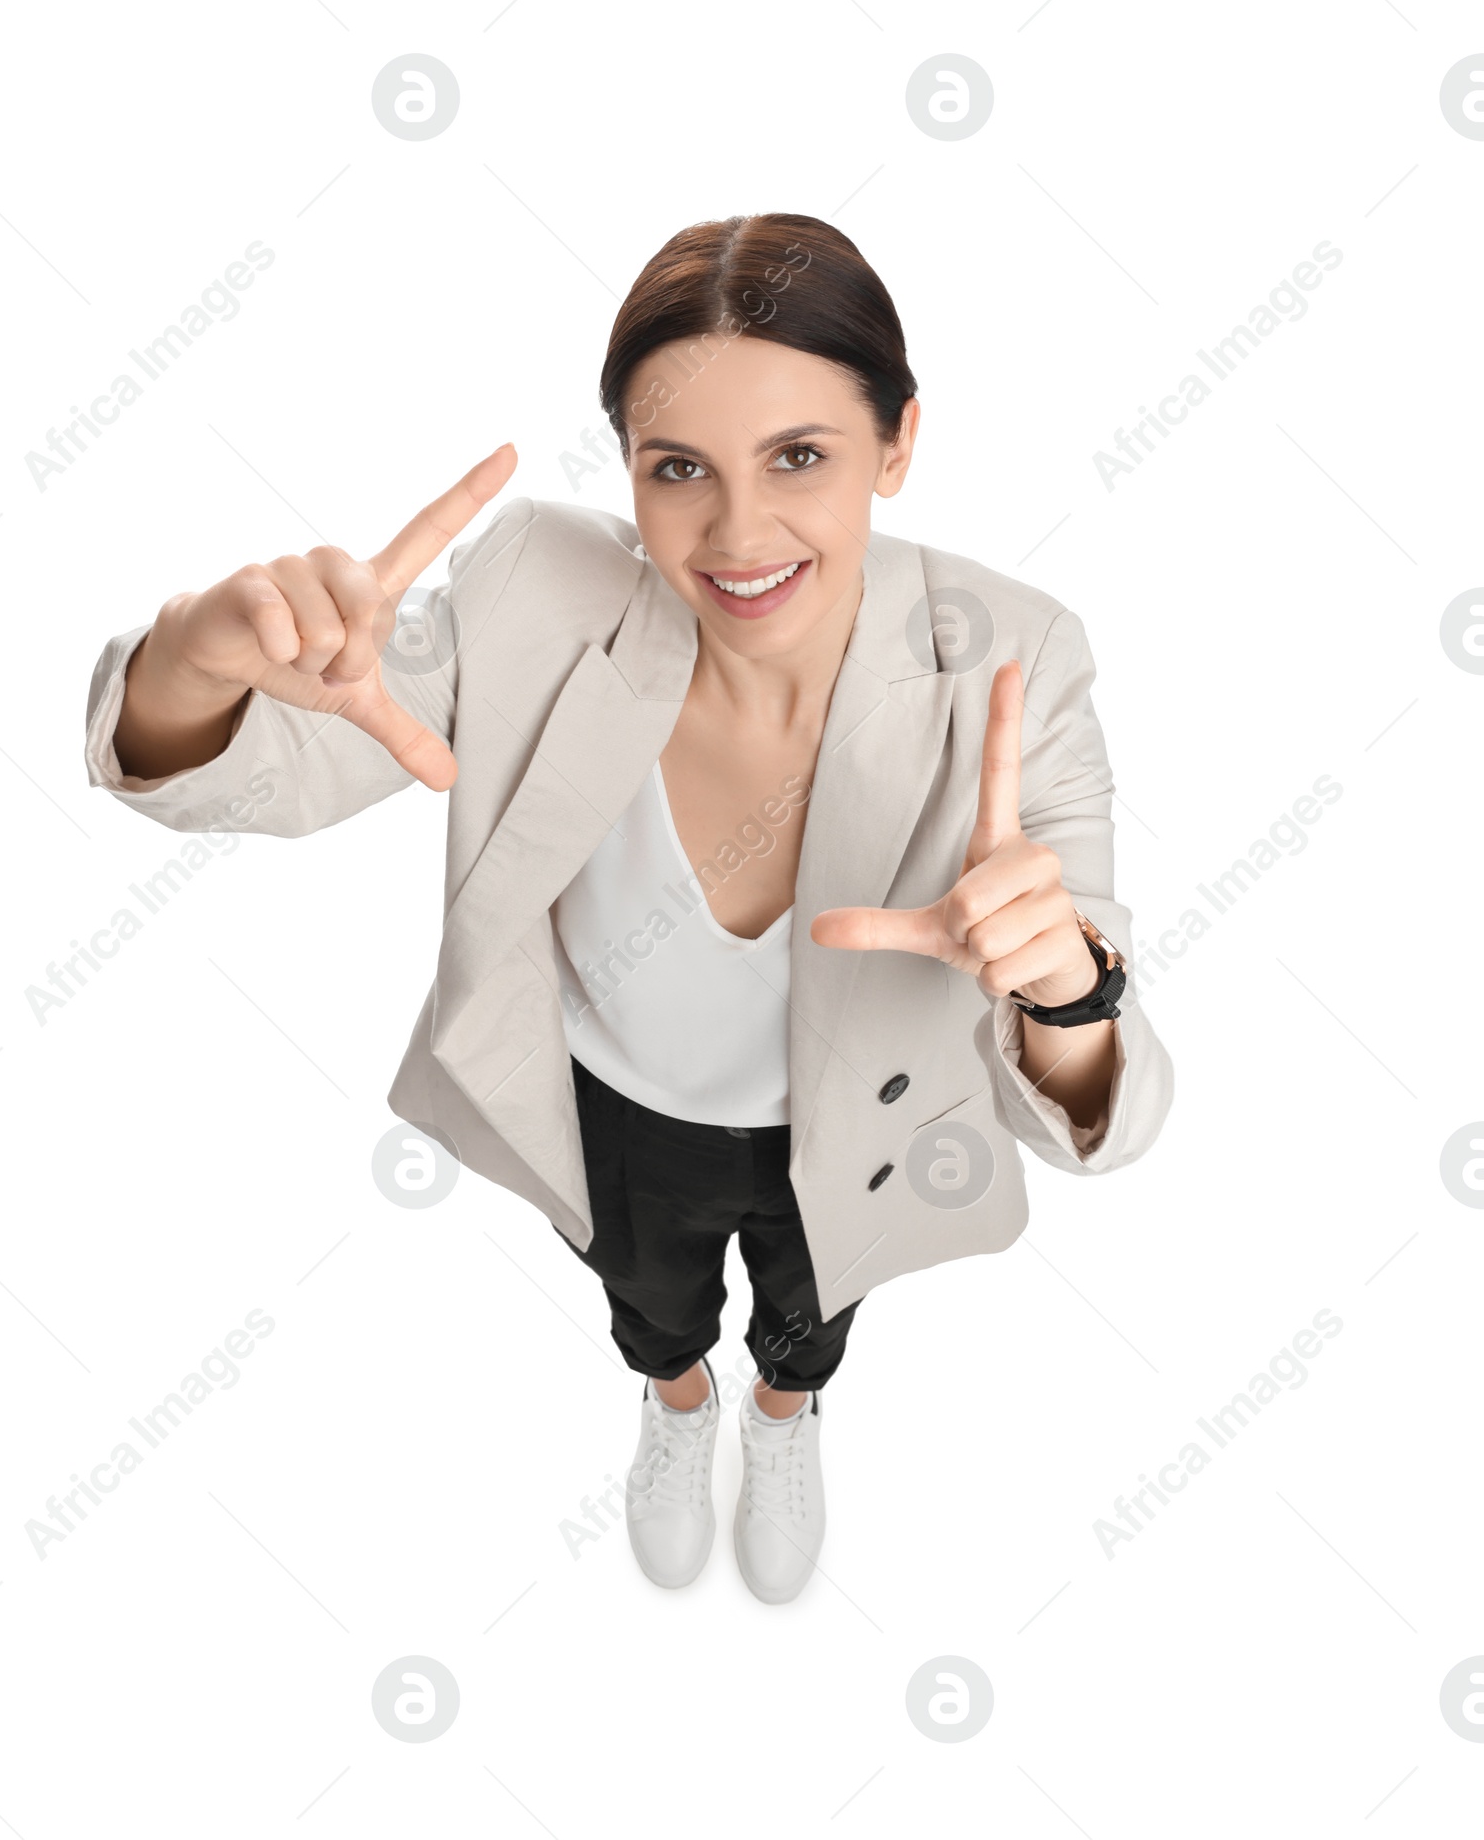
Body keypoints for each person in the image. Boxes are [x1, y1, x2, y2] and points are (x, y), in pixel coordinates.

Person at [85, 212, 1174, 1606]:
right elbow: (262, 764)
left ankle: (783, 1416)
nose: (737, 533)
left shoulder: (1014, 658)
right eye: (679, 469)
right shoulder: (542, 587)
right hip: (612, 1101)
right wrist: (195, 658)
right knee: (650, 1302)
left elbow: (1105, 1092)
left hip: (847, 1121)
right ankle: (676, 1404)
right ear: (629, 472)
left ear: (897, 444)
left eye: (800, 456)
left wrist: (1064, 990)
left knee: (809, 1311)